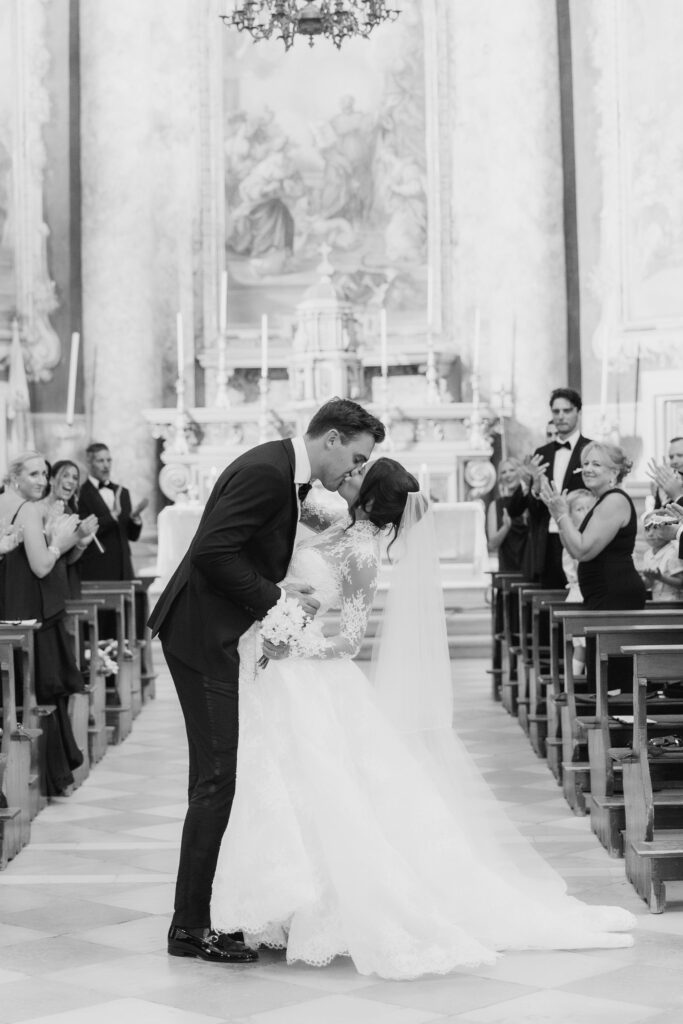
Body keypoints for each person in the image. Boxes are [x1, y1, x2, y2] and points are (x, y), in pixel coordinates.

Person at [210, 456, 635, 979]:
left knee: (322, 788)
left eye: (356, 475)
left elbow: (350, 639)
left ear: (370, 497)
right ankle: (276, 905)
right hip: (276, 672)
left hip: (307, 671)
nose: (345, 476)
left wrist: (293, 645)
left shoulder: (363, 552)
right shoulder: (328, 522)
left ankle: (314, 908)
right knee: (274, 784)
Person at [148, 398, 386, 965]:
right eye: (354, 458)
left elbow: (243, 550)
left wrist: (279, 588)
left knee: (212, 777)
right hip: (203, 636)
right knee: (217, 780)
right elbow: (210, 552)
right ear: (329, 438)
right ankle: (188, 928)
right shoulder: (266, 471)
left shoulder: (282, 470)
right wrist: (275, 599)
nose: (353, 471)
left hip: (209, 631)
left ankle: (198, 914)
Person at [0, 452, 98, 795]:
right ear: (15, 477)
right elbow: (42, 565)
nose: (42, 480)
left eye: (44, 473)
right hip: (29, 609)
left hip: (9, 605)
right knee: (43, 687)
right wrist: (59, 543)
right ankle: (51, 777)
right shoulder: (26, 509)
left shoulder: (5, 503)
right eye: (34, 474)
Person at [541, 441, 646, 690]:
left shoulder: (614, 501)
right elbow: (573, 547)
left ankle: (619, 723)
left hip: (614, 596)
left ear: (614, 472)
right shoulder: (601, 501)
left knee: (611, 678)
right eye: (585, 463)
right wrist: (559, 514)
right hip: (603, 594)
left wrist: (562, 514)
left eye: (596, 464)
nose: (588, 469)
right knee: (601, 673)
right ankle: (610, 721)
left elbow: (583, 550)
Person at [508, 388, 591, 587]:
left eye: (566, 410)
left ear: (578, 413)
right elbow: (532, 510)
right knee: (550, 605)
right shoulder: (541, 453)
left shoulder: (591, 449)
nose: (560, 416)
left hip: (581, 537)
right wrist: (535, 487)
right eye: (556, 411)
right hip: (547, 540)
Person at [77, 443, 148, 638]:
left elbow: (131, 535)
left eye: (109, 460)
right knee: (99, 625)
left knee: (123, 626)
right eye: (101, 460)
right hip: (96, 569)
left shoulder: (122, 492)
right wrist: (112, 517)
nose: (106, 465)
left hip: (123, 569)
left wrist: (135, 519)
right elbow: (82, 530)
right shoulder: (80, 494)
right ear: (89, 462)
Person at [42, 460, 98, 598]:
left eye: (75, 478)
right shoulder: (38, 508)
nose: (71, 481)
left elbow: (67, 560)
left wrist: (81, 544)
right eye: (65, 475)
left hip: (63, 584)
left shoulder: (69, 512)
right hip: (41, 583)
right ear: (52, 480)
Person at [561, 489, 595, 677]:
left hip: (590, 594)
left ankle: (592, 688)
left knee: (591, 647)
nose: (585, 512)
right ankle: (571, 687)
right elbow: (579, 563)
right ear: (570, 514)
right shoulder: (572, 538)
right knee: (581, 647)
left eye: (589, 508)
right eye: (579, 509)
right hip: (579, 595)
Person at [486, 457, 528, 573]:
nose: (508, 475)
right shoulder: (495, 505)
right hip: (507, 567)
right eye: (503, 472)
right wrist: (505, 527)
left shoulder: (529, 500)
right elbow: (492, 545)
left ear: (520, 472)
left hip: (529, 566)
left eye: (512, 470)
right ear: (500, 478)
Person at [640, 510, 683, 601]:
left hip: (674, 604)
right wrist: (648, 579)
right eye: (647, 529)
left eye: (655, 528)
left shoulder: (674, 551)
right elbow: (649, 585)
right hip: (656, 602)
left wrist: (660, 577)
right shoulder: (647, 554)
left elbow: (681, 583)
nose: (650, 534)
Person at [646, 436, 683, 510]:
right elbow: (657, 515)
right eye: (671, 457)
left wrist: (677, 496)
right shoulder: (667, 482)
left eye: (680, 455)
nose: (674, 461)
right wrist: (664, 501)